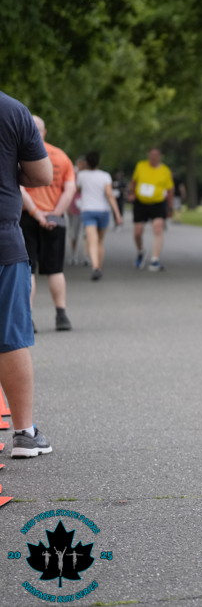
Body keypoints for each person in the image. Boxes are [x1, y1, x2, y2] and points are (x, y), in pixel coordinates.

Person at [0, 91, 55, 458]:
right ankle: (24, 433)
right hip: (2, 240)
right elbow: (41, 174)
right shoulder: (12, 110)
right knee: (10, 335)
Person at [19, 115, 76, 331]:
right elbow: (70, 189)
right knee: (55, 270)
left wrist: (36, 213)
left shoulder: (20, 155)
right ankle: (61, 315)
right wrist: (55, 214)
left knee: (28, 269)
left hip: (27, 217)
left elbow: (19, 188)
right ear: (44, 132)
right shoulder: (61, 156)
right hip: (55, 217)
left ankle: (28, 318)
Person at [76, 151, 123, 281]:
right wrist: (117, 214)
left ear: (86, 162)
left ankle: (95, 266)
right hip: (103, 211)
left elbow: (77, 189)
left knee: (92, 240)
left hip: (88, 210)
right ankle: (99, 267)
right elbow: (109, 195)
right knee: (100, 241)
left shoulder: (82, 175)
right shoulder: (105, 176)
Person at [129, 148, 174, 272]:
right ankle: (140, 251)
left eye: (156, 155)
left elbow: (170, 189)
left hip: (158, 202)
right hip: (141, 202)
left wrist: (170, 207)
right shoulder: (141, 166)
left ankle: (155, 259)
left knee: (158, 228)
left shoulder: (165, 170)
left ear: (160, 156)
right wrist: (132, 193)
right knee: (138, 232)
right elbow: (133, 182)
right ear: (148, 155)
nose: (153, 157)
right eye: (151, 155)